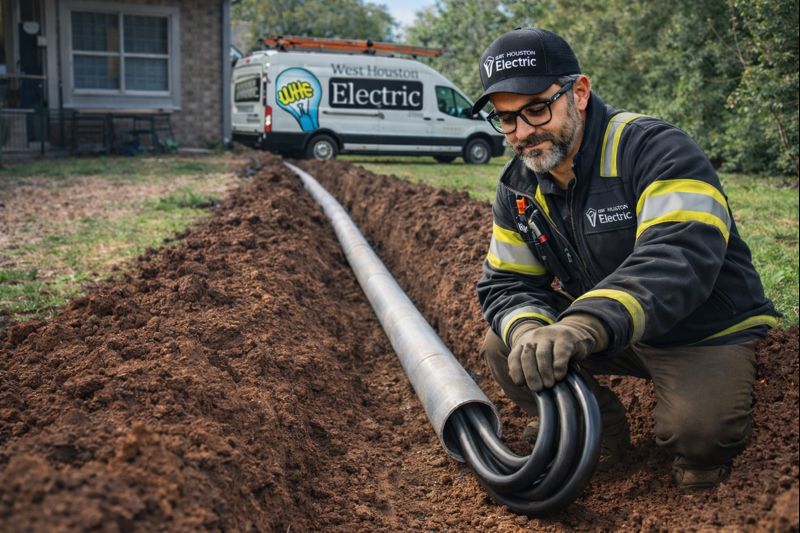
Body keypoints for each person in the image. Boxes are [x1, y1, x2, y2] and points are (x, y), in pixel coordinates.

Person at [472, 28, 779, 490]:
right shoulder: (518, 186)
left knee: (698, 435)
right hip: (615, 328)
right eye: (506, 118)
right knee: (505, 347)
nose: (523, 132)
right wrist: (531, 331)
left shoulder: (654, 148)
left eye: (536, 109)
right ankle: (599, 430)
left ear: (579, 93)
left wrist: (581, 326)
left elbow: (679, 257)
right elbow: (507, 282)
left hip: (702, 328)